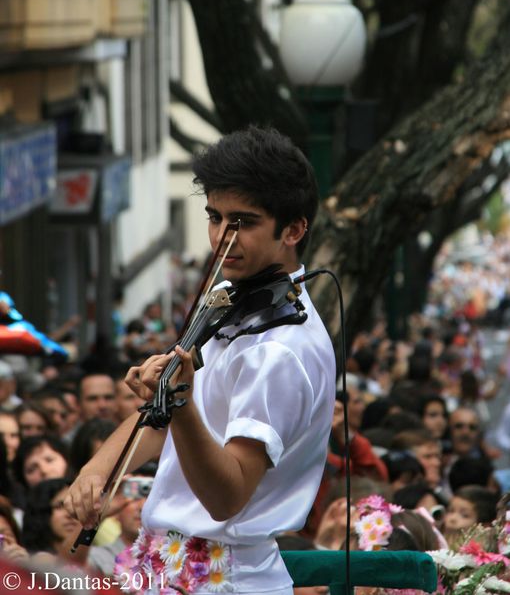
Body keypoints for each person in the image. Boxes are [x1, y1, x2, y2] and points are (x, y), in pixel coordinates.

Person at [65, 126, 336, 595]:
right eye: (215, 217)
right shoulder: (230, 299)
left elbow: (226, 496)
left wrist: (183, 401)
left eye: (242, 222)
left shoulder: (280, 349)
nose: (220, 238)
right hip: (167, 563)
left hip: (225, 578)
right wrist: (97, 471)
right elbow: (162, 418)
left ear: (293, 229)